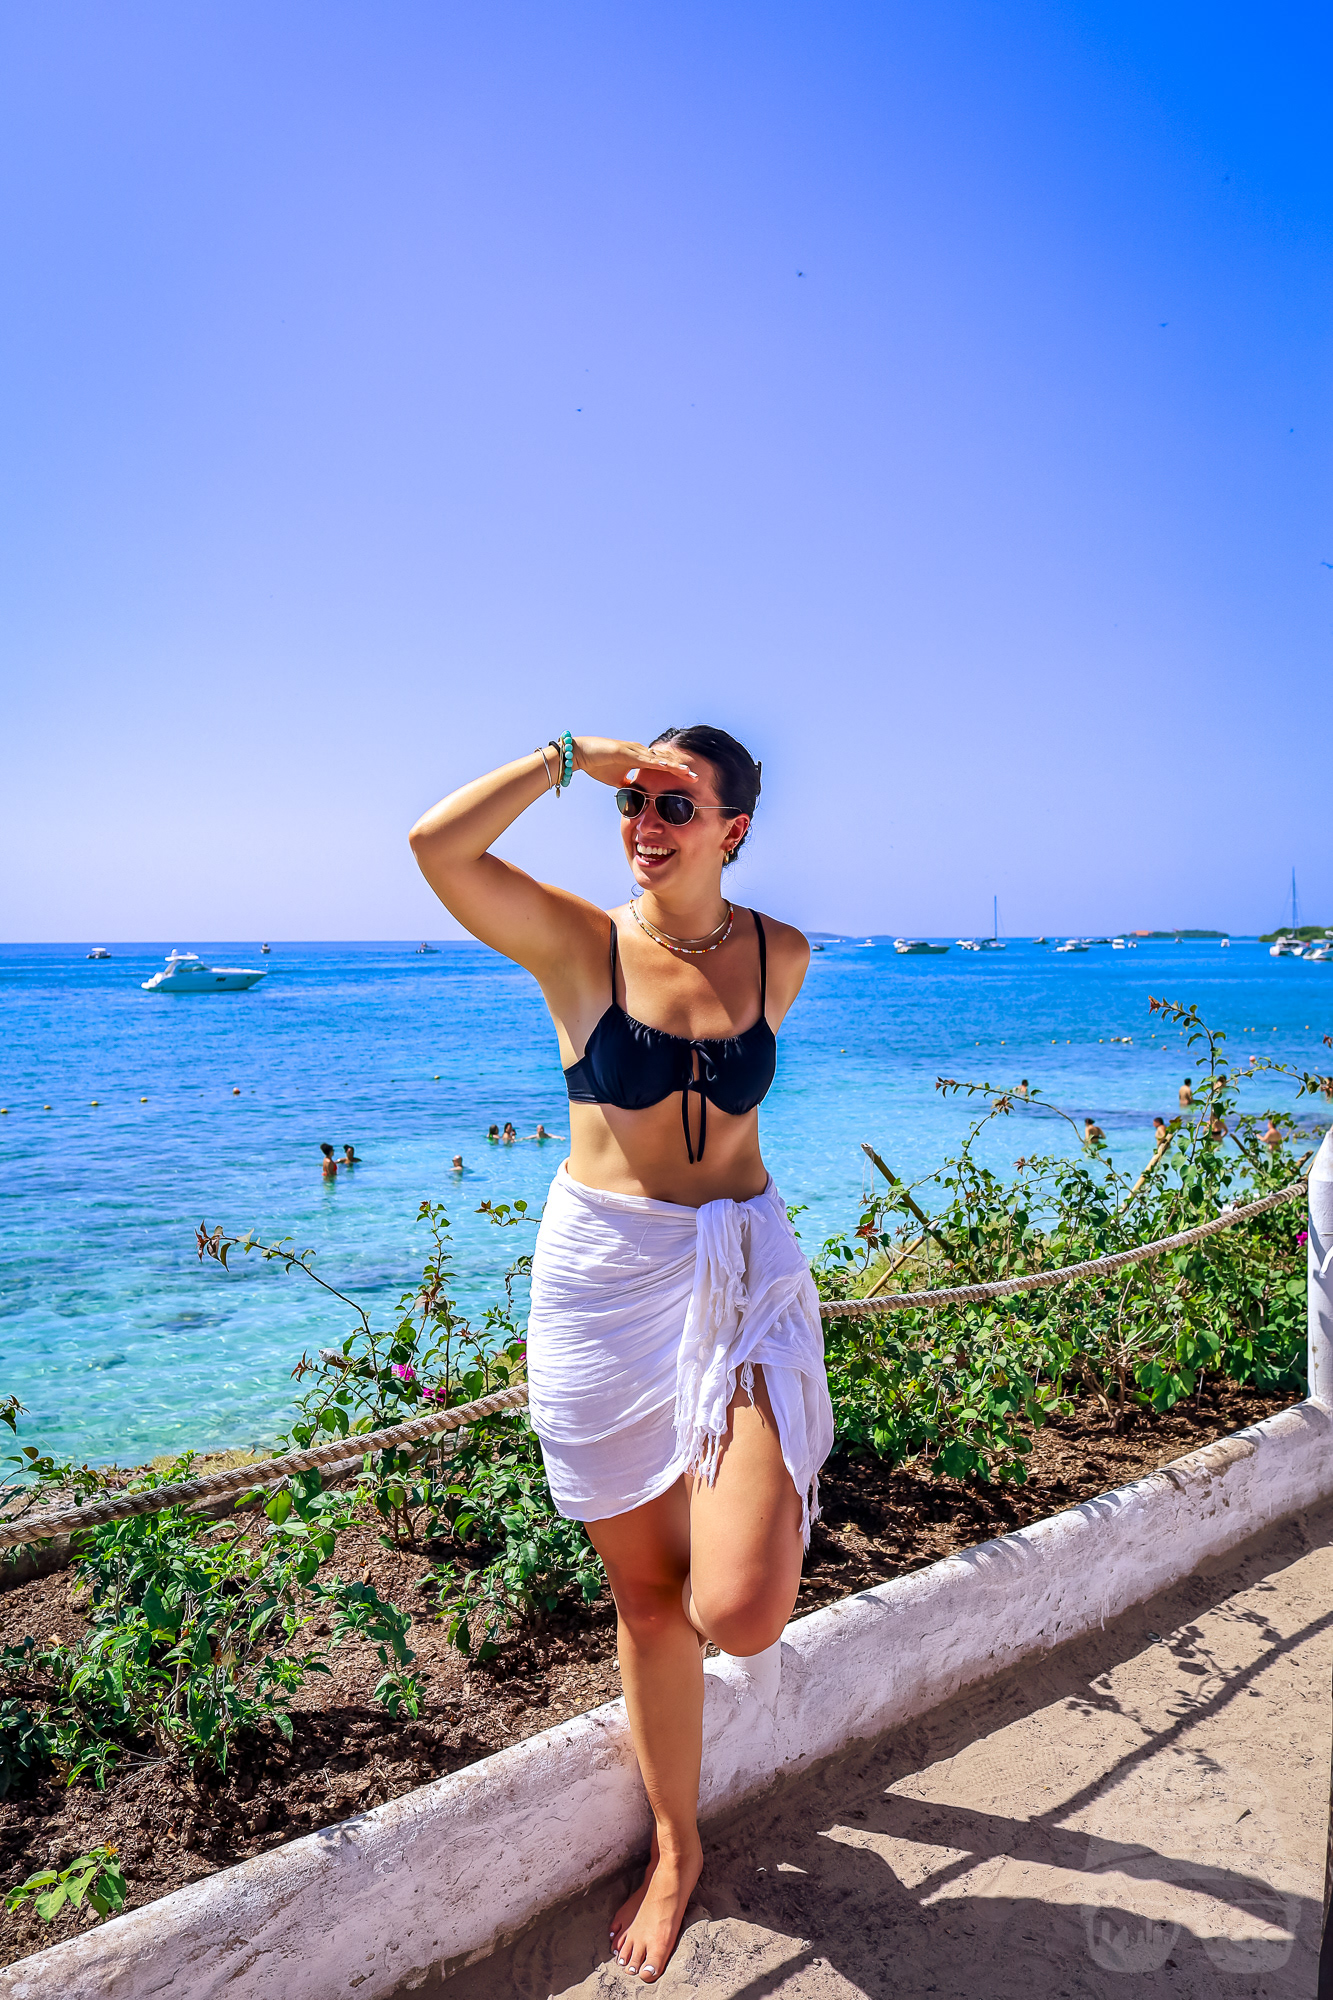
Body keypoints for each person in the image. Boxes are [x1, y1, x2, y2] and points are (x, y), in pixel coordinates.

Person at [409, 725, 830, 1984]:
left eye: (676, 804)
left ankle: (737, 1537)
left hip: (741, 1275)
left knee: (739, 1608)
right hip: (604, 1283)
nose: (647, 822)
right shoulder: (578, 943)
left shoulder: (782, 953)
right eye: (633, 803)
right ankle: (674, 1843)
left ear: (733, 829)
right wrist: (565, 758)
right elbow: (438, 847)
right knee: (647, 1598)